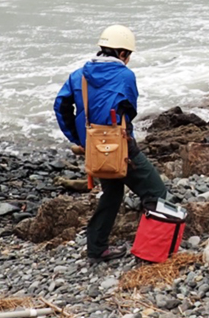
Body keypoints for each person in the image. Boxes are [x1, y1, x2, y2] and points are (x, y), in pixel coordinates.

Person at [54, 25, 168, 263]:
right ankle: (151, 248)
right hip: (122, 146)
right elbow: (129, 110)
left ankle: (97, 249)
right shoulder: (125, 76)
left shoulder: (78, 75)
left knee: (112, 193)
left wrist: (78, 139)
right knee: (156, 192)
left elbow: (61, 106)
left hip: (94, 147)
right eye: (129, 55)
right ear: (123, 53)